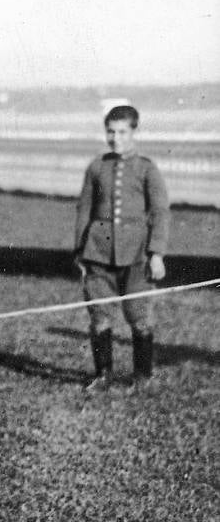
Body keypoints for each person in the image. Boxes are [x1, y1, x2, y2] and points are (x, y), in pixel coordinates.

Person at [73, 103, 170, 390]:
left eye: (122, 132)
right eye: (110, 131)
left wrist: (157, 254)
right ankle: (103, 375)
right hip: (97, 253)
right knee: (100, 317)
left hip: (137, 255)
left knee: (140, 319)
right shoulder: (96, 167)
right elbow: (84, 210)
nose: (115, 138)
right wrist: (79, 251)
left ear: (134, 132)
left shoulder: (146, 169)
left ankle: (142, 376)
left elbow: (161, 212)